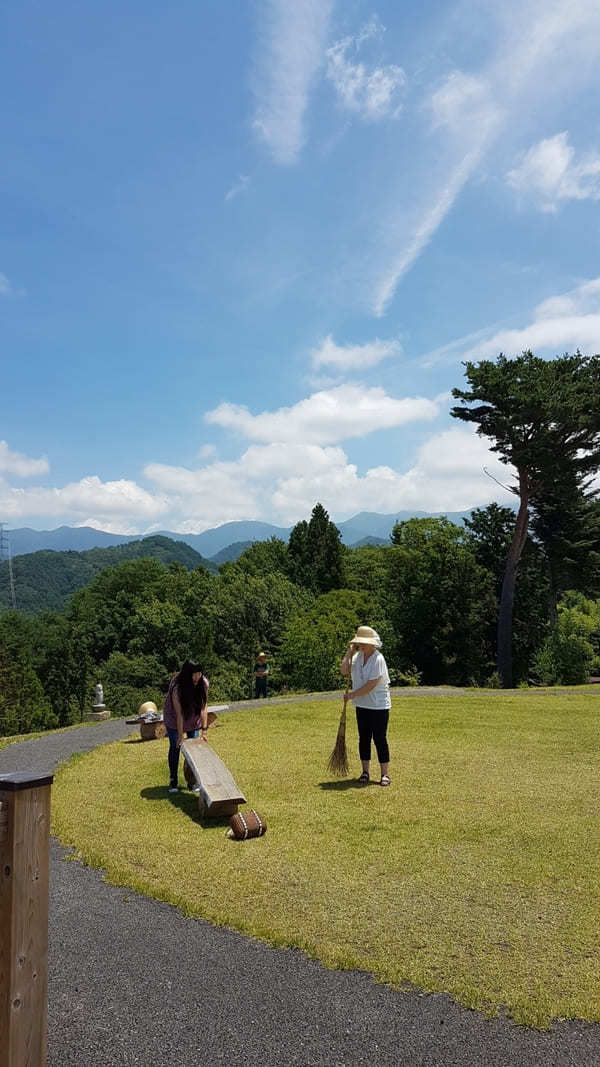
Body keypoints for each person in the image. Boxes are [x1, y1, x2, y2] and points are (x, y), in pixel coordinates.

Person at [340, 626, 391, 787]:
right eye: (358, 643)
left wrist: (352, 695)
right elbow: (343, 670)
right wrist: (349, 653)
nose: (360, 645)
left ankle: (384, 774)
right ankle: (365, 772)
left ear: (371, 644)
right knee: (364, 738)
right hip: (362, 705)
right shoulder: (357, 657)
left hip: (378, 705)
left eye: (363, 643)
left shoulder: (378, 659)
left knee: (379, 738)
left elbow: (372, 684)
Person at [163, 659, 209, 793]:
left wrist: (204, 731)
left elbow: (203, 707)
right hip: (174, 718)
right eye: (193, 674)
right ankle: (173, 781)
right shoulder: (177, 687)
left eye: (199, 673)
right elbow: (179, 714)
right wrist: (180, 735)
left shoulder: (203, 683)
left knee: (193, 750)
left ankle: (192, 781)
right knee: (175, 746)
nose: (197, 677)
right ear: (186, 674)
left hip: (193, 718)